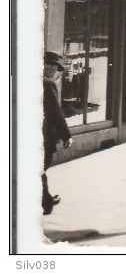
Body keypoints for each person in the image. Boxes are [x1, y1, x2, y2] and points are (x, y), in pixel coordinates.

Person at [43, 51, 71, 215]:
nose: (57, 74)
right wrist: (66, 135)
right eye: (58, 70)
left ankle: (46, 200)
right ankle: (46, 202)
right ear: (51, 67)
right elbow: (56, 113)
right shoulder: (47, 84)